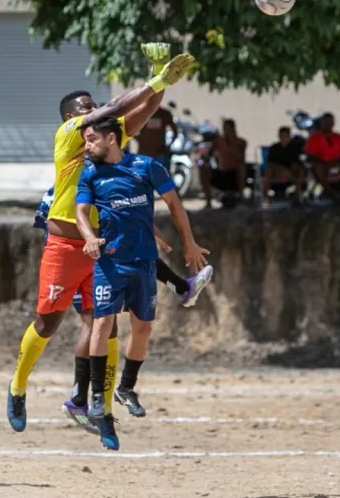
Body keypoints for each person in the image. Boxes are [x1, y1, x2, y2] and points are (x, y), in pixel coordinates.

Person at [6, 45, 197, 434]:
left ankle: (99, 407)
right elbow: (114, 107)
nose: (94, 110)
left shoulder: (104, 141)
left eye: (93, 105)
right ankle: (18, 387)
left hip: (102, 247)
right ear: (71, 118)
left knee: (103, 325)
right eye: (86, 108)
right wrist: (155, 80)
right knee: (47, 322)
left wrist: (160, 76)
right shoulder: (68, 135)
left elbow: (145, 109)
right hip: (64, 245)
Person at [76, 117, 209, 450]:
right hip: (109, 262)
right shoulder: (90, 173)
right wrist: (90, 237)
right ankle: (97, 396)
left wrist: (189, 243)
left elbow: (175, 205)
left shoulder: (147, 167)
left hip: (145, 262)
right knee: (102, 324)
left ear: (111, 138)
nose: (86, 146)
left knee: (143, 328)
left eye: (91, 139)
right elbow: (80, 213)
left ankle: (127, 388)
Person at [32, 185, 213, 432]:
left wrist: (145, 226)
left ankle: (84, 399)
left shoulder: (91, 184)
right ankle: (79, 399)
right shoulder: (74, 187)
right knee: (95, 325)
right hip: (76, 263)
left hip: (93, 260)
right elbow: (55, 230)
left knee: (104, 325)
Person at [200, 119, 248, 208]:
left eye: (229, 129)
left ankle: (241, 198)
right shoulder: (218, 142)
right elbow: (208, 155)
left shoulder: (241, 142)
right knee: (204, 168)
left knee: (241, 168)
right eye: (225, 128)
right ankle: (208, 201)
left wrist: (233, 145)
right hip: (222, 172)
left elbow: (241, 159)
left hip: (234, 173)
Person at [262, 126, 305, 207]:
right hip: (277, 171)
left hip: (291, 171)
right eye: (282, 136)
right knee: (268, 172)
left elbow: (297, 162)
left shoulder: (295, 147)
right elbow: (270, 163)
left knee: (301, 171)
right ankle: (265, 199)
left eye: (286, 136)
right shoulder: (274, 148)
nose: (284, 138)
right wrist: (281, 169)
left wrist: (290, 170)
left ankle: (296, 196)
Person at [136, 107, 178, 172]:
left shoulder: (164, 114)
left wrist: (168, 146)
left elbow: (175, 131)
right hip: (145, 153)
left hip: (157, 153)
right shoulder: (142, 112)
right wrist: (139, 139)